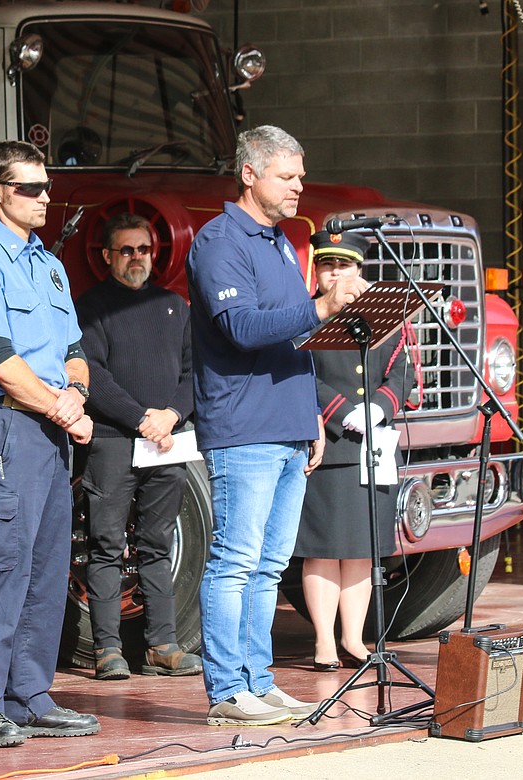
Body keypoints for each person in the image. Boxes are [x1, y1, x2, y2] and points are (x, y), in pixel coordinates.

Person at [186, 125, 367, 727]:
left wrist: (310, 414)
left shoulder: (282, 242)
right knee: (235, 561)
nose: (298, 186)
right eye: (287, 176)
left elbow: (298, 338)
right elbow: (241, 327)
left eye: (300, 174)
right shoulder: (219, 242)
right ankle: (226, 690)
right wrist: (321, 305)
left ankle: (258, 681)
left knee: (268, 565)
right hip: (244, 427)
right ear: (249, 173)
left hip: (287, 424)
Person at [0, 141, 98, 748]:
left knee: (46, 568)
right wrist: (61, 407)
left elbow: (76, 352)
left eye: (45, 188)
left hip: (51, 431)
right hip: (9, 425)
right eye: (28, 188)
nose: (42, 198)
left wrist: (77, 397)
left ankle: (30, 694)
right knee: (0, 566)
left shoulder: (50, 265)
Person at [76, 212, 201, 680]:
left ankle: (161, 646)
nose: (136, 258)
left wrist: (170, 416)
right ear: (108, 256)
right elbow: (94, 376)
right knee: (106, 546)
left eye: (143, 250)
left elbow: (193, 374)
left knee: (157, 542)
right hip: (113, 442)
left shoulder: (176, 306)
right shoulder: (90, 307)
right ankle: (108, 650)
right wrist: (140, 419)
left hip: (167, 442)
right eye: (126, 250)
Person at [295, 230, 415, 671]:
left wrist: (379, 407)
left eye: (343, 265)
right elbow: (300, 372)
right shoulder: (306, 314)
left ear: (359, 270)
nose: (335, 274)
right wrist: (342, 410)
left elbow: (401, 373)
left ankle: (354, 638)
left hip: (375, 447)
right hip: (332, 444)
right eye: (327, 265)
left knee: (363, 551)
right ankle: (325, 642)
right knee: (325, 549)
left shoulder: (384, 317)